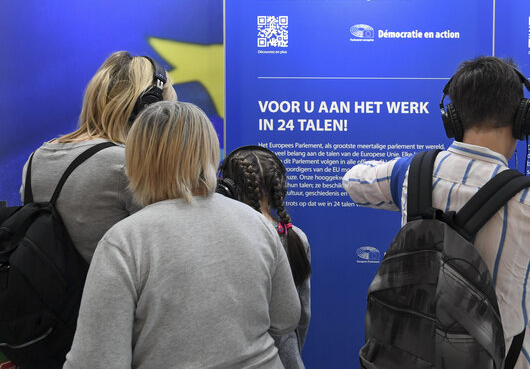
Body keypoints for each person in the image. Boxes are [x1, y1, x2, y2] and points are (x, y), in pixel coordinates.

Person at [342, 56, 530, 368]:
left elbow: (354, 181)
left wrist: (405, 178)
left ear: (452, 117)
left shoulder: (414, 173)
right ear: (523, 120)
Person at [64, 102, 301, 368]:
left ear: (136, 160)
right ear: (210, 152)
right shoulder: (257, 223)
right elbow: (286, 318)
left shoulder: (125, 241)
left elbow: (96, 361)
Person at [21, 51, 176, 263]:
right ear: (146, 108)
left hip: (48, 293)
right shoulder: (125, 164)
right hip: (111, 293)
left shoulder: (36, 158)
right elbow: (167, 249)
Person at [218, 145, 312, 369]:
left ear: (227, 188)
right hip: (286, 358)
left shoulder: (221, 236)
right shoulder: (295, 237)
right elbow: (302, 315)